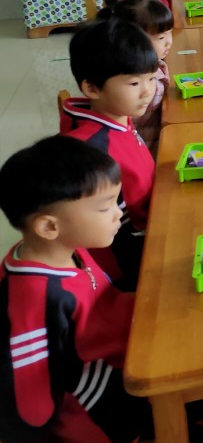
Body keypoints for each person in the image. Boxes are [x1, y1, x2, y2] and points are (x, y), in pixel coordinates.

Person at [0, 137, 203, 443]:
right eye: (105, 207)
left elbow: (104, 309)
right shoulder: (32, 301)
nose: (117, 214)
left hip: (133, 352)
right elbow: (28, 403)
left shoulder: (66, 248)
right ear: (49, 226)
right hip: (110, 414)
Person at [60, 19, 158, 290]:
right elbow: (113, 230)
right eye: (134, 83)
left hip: (150, 218)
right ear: (92, 88)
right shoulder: (92, 149)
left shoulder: (117, 116)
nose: (148, 91)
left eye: (151, 78)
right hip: (127, 259)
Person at [100, 0, 173, 157]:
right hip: (148, 149)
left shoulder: (156, 64)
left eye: (170, 33)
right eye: (161, 37)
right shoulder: (125, 83)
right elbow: (129, 131)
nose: (169, 42)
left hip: (160, 132)